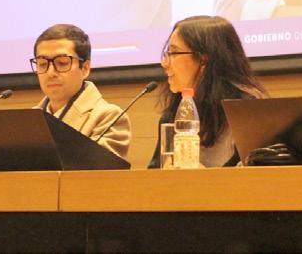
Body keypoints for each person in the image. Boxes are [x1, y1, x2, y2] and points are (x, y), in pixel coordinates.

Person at [149, 15, 267, 168]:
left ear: (204, 59)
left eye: (174, 53)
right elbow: (152, 174)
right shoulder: (175, 113)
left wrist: (205, 178)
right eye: (167, 53)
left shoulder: (248, 109)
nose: (164, 63)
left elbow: (257, 175)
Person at [31, 24, 130, 159]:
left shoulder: (108, 117)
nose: (50, 73)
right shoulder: (28, 120)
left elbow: (98, 168)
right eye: (42, 64)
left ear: (85, 68)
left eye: (62, 63)